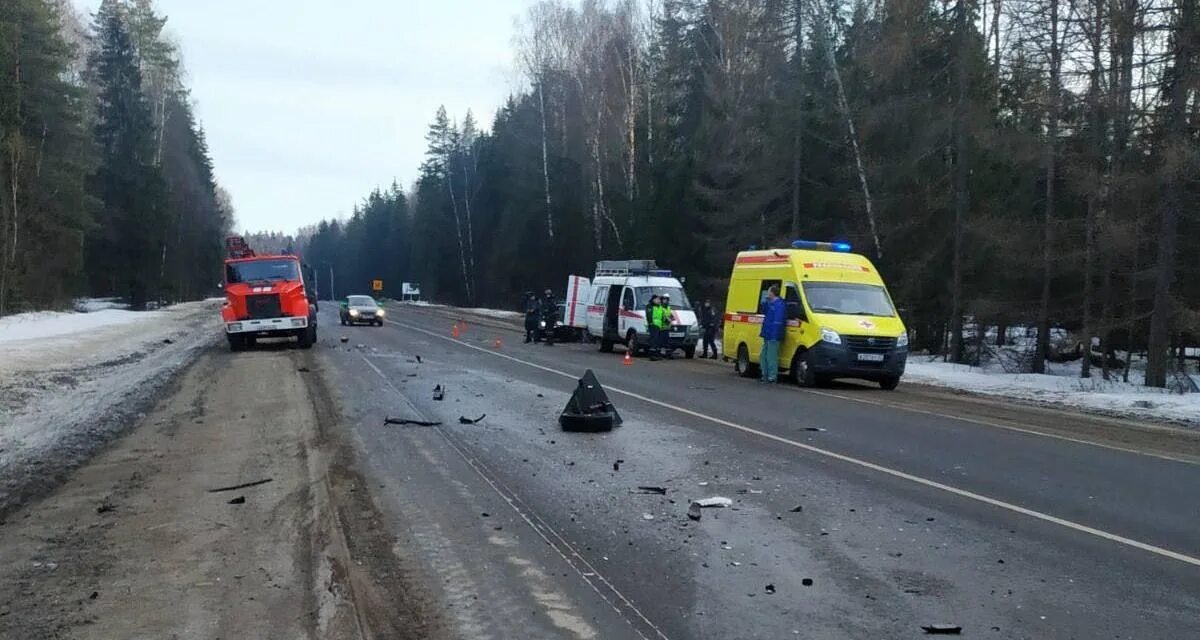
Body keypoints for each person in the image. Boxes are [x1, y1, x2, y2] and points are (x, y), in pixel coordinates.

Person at [759, 285, 785, 383]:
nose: (767, 293)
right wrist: (765, 301)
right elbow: (764, 310)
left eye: (769, 291)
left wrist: (774, 335)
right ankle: (764, 374)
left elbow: (778, 321)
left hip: (773, 335)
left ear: (772, 292)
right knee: (763, 356)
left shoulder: (779, 305)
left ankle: (772, 376)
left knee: (771, 356)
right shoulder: (770, 304)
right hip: (767, 333)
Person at [645, 295, 661, 361]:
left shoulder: (659, 307)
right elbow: (649, 315)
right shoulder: (650, 306)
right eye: (657, 299)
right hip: (653, 325)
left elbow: (662, 315)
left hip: (659, 325)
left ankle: (656, 355)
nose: (659, 301)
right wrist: (650, 322)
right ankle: (652, 355)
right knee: (653, 340)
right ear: (653, 300)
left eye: (659, 300)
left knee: (657, 340)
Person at [658, 293, 674, 359]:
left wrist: (671, 318)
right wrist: (666, 319)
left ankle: (668, 354)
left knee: (667, 342)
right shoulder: (660, 307)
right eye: (664, 299)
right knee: (660, 342)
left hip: (667, 327)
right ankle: (659, 354)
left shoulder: (668, 307)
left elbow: (670, 315)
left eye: (666, 299)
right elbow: (661, 316)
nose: (665, 300)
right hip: (661, 327)